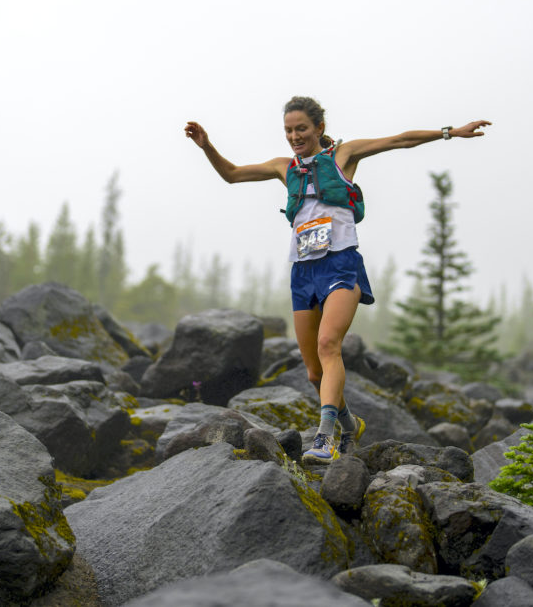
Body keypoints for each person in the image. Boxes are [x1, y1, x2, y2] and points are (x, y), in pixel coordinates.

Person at [185, 96, 491, 464]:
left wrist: (451, 132)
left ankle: (325, 439)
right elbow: (232, 174)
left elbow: (399, 140)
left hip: (341, 265)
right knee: (314, 372)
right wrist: (207, 147)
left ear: (319, 129)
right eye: (288, 130)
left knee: (329, 344)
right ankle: (349, 425)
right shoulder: (284, 167)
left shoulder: (344, 156)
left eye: (301, 129)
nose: (294, 136)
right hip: (303, 272)